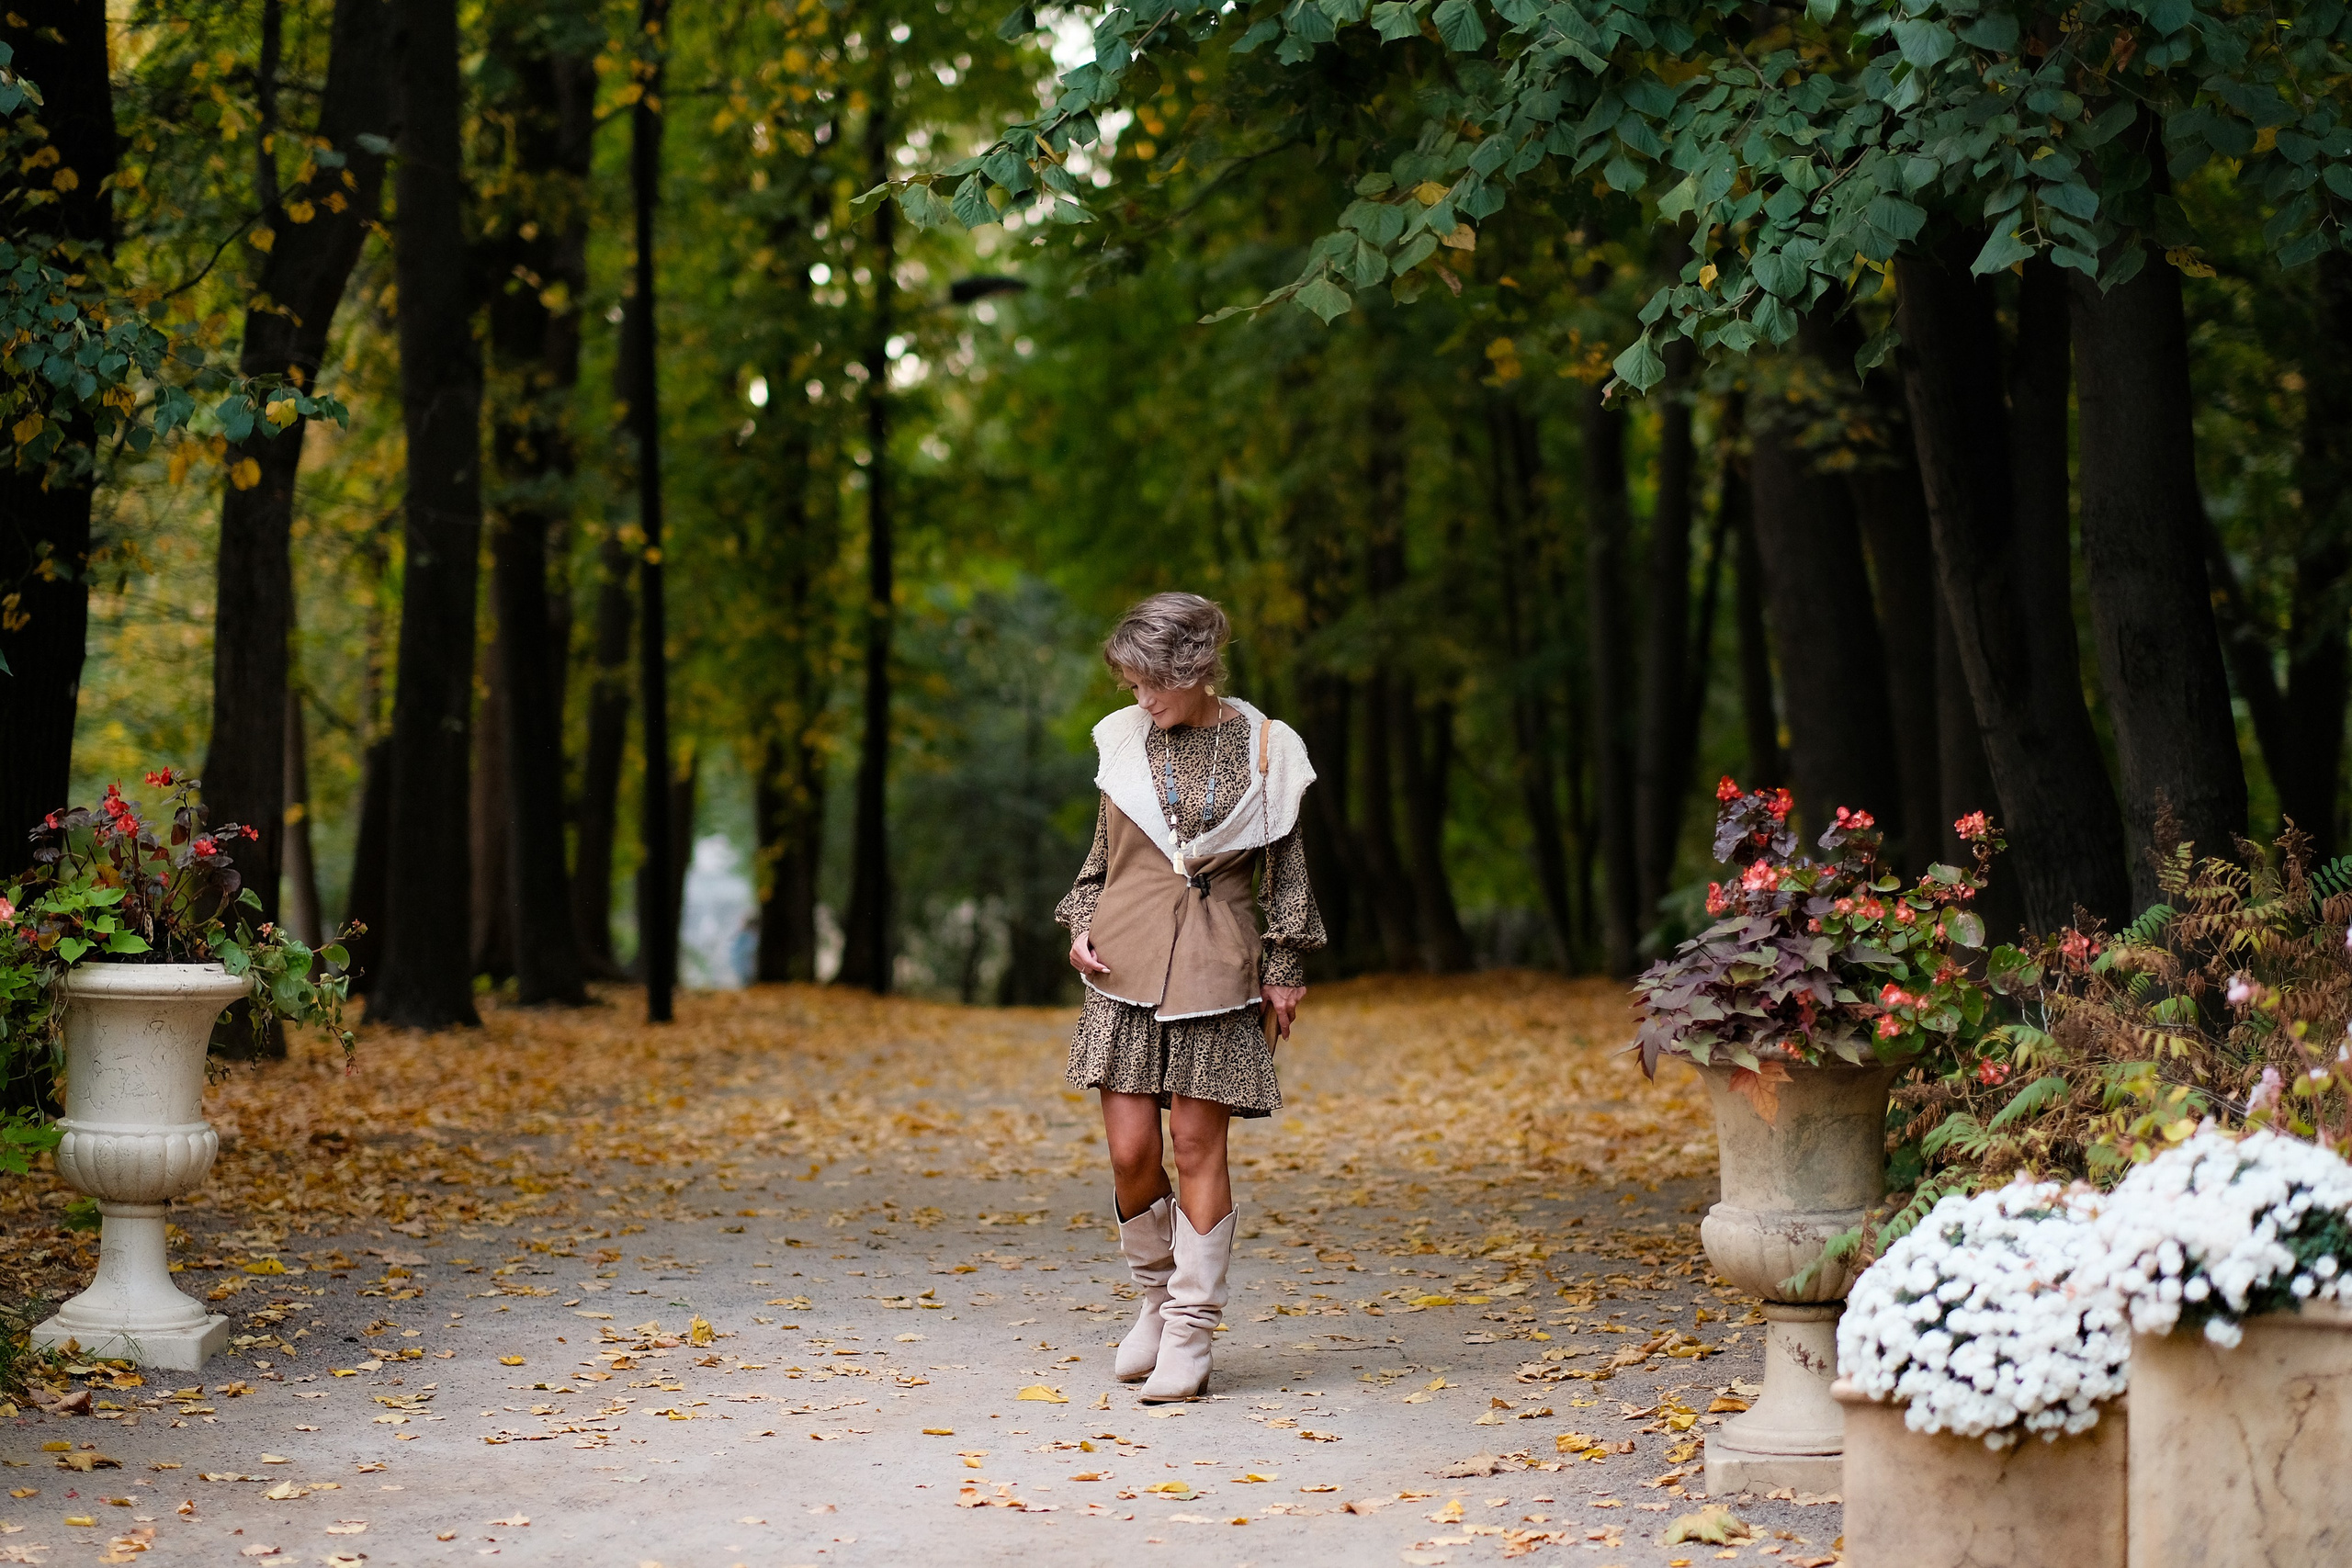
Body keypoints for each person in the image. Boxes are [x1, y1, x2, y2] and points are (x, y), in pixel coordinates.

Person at [1055, 592, 1325, 1403]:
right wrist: (1077, 920)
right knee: (1132, 1149)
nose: (1139, 699)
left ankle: (1191, 1327)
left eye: (1150, 684)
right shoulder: (1126, 742)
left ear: (1194, 670)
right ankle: (1153, 1298)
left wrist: (1284, 964)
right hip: (1123, 955)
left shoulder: (1267, 747)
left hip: (1216, 959)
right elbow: (1100, 857)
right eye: (1131, 684)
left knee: (1200, 1147)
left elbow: (1288, 869)